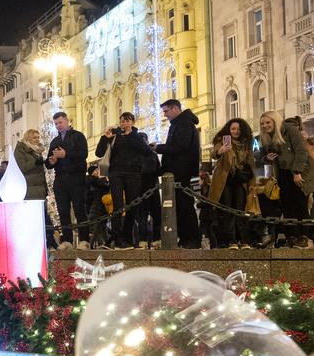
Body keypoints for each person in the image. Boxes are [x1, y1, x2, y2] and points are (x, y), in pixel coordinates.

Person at [95, 112, 151, 249]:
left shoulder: (136, 136)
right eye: (122, 121)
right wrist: (105, 138)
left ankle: (127, 237)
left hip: (133, 174)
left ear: (133, 122)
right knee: (117, 206)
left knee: (132, 206)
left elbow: (146, 151)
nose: (125, 124)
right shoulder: (114, 135)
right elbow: (99, 153)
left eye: (128, 121)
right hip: (116, 173)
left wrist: (131, 134)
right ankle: (117, 238)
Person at [255, 111, 309, 248]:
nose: (265, 126)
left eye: (268, 122)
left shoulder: (290, 130)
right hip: (282, 174)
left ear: (275, 121)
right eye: (262, 123)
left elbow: (301, 151)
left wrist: (297, 172)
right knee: (287, 206)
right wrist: (267, 159)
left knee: (300, 205)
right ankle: (292, 236)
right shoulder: (267, 137)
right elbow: (263, 156)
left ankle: (304, 237)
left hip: (297, 173)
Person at [153, 99, 201, 249]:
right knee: (180, 206)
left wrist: (158, 148)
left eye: (166, 111)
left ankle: (191, 239)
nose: (165, 115)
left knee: (184, 205)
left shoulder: (184, 124)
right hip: (178, 170)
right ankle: (185, 238)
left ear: (175, 109)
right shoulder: (179, 124)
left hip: (182, 170)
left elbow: (180, 146)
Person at [208, 119, 255, 249]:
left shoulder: (246, 144)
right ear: (228, 129)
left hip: (241, 180)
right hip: (225, 181)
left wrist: (252, 183)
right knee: (227, 210)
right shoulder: (222, 141)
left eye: (238, 129)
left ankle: (244, 240)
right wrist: (220, 151)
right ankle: (231, 241)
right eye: (233, 129)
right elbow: (213, 153)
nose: (236, 131)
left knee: (240, 210)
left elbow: (251, 164)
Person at [45, 114, 89, 249]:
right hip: (60, 178)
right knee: (63, 210)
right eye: (56, 123)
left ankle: (84, 239)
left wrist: (66, 154)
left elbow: (83, 154)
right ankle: (67, 240)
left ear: (67, 121)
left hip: (76, 176)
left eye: (60, 122)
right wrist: (51, 161)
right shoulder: (55, 141)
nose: (59, 125)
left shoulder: (78, 136)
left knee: (79, 208)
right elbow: (48, 162)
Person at [14, 128, 49, 202]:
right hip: (28, 189)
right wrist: (35, 162)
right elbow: (21, 167)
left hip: (40, 189)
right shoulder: (20, 149)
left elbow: (41, 172)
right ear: (28, 138)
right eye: (34, 137)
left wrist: (45, 188)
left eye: (38, 137)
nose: (37, 139)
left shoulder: (37, 150)